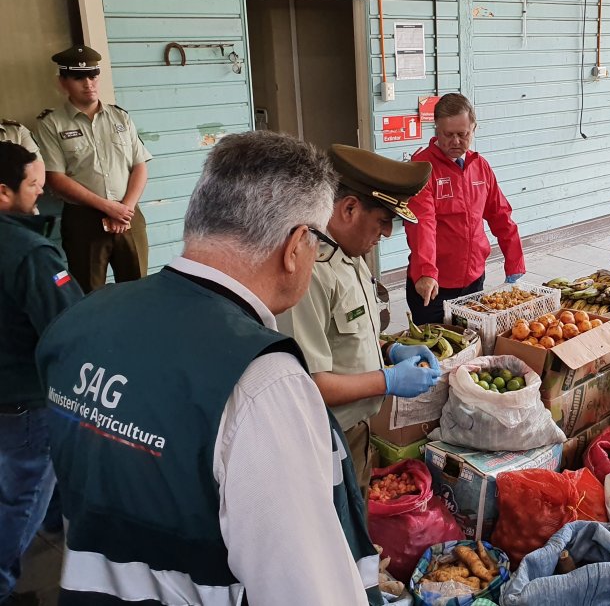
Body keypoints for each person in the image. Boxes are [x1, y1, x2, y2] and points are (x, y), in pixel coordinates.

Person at [36, 132, 383, 605]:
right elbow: (307, 590)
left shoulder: (79, 321)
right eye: (318, 242)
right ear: (295, 245)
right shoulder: (261, 380)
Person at [279, 144, 440, 490]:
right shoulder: (310, 272)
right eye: (383, 221)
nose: (387, 233)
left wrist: (389, 350)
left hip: (356, 430)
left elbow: (344, 341)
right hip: (326, 438)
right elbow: (308, 384)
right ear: (349, 208)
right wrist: (388, 380)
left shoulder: (348, 257)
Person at [0, 142, 83, 606]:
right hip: (24, 399)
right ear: (3, 192)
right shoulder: (30, 253)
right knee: (22, 496)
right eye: (34, 186)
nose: (41, 194)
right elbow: (68, 326)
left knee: (31, 482)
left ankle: (59, 526)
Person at [36, 44, 151, 293]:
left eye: (92, 76)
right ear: (63, 82)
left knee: (138, 290)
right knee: (88, 292)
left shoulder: (121, 118)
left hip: (128, 216)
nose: (88, 83)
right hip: (84, 221)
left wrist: (125, 208)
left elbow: (140, 165)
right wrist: (109, 207)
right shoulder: (52, 124)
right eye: (79, 78)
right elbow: (55, 178)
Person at [404, 92, 526, 324]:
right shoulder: (421, 168)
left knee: (473, 339)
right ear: (436, 130)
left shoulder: (480, 166)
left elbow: (501, 215)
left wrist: (514, 262)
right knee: (437, 343)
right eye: (448, 134)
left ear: (473, 129)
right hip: (434, 284)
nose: (455, 142)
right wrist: (425, 271)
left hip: (474, 279)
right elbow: (422, 224)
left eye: (463, 134)